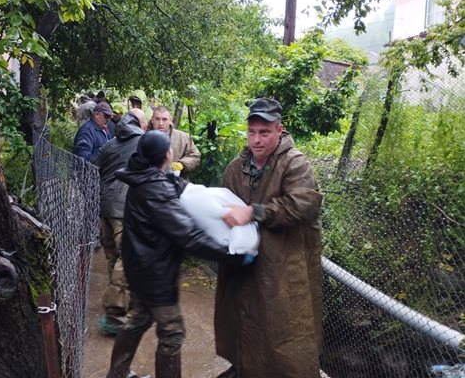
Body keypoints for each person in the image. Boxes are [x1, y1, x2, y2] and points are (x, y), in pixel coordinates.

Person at [105, 131, 251, 378]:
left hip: (139, 268)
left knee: (138, 318)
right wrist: (231, 254)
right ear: (166, 155)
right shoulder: (156, 188)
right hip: (156, 274)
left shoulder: (142, 178)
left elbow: (174, 192)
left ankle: (117, 374)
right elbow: (188, 235)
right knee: (171, 332)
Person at [214, 98, 324, 378]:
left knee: (282, 327)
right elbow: (225, 206)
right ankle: (243, 368)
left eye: (264, 133)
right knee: (241, 317)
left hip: (282, 264)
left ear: (279, 130)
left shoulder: (294, 163)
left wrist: (254, 212)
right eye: (252, 132)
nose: (257, 140)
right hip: (243, 261)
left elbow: (304, 205)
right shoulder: (235, 168)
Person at [94, 109, 148, 335]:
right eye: (146, 122)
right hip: (125, 209)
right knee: (127, 258)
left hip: (104, 208)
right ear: (140, 123)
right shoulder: (143, 143)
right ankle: (114, 314)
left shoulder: (109, 143)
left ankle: (119, 301)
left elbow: (96, 168)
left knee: (112, 256)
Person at [150, 106, 201, 176]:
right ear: (152, 120)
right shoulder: (143, 138)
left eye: (164, 119)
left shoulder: (183, 138)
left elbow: (195, 156)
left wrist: (182, 164)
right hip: (149, 182)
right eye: (157, 119)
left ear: (170, 120)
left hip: (176, 183)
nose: (160, 123)